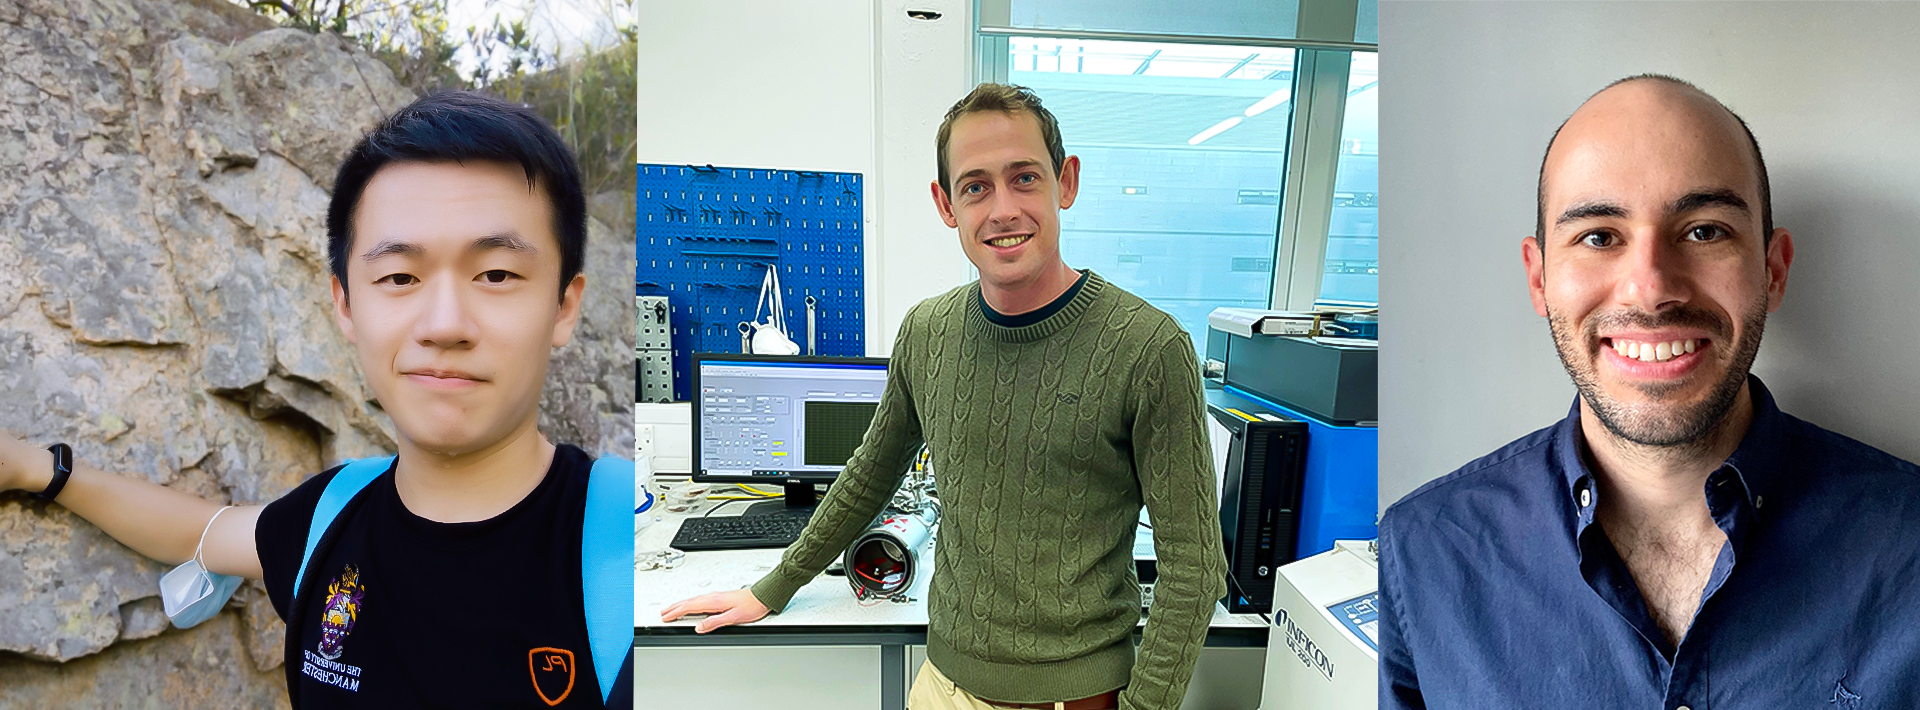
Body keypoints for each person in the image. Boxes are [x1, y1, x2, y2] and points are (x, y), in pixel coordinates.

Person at [0, 91, 633, 709]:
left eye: (496, 274)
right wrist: (35, 469)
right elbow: (196, 531)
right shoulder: (329, 521)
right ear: (346, 304)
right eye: (400, 277)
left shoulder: (644, 552)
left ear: (563, 305)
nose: (444, 323)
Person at [661, 83, 1227, 709]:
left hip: (1075, 696)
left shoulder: (1150, 348)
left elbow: (1195, 567)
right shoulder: (927, 332)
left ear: (1065, 182)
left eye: (1025, 178)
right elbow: (867, 477)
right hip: (942, 683)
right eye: (976, 186)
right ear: (946, 203)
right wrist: (772, 587)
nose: (1002, 209)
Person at [1378, 75, 1920, 708]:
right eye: (1599, 236)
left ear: (1772, 271)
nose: (1651, 287)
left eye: (1705, 231)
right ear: (1539, 277)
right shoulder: (1422, 556)